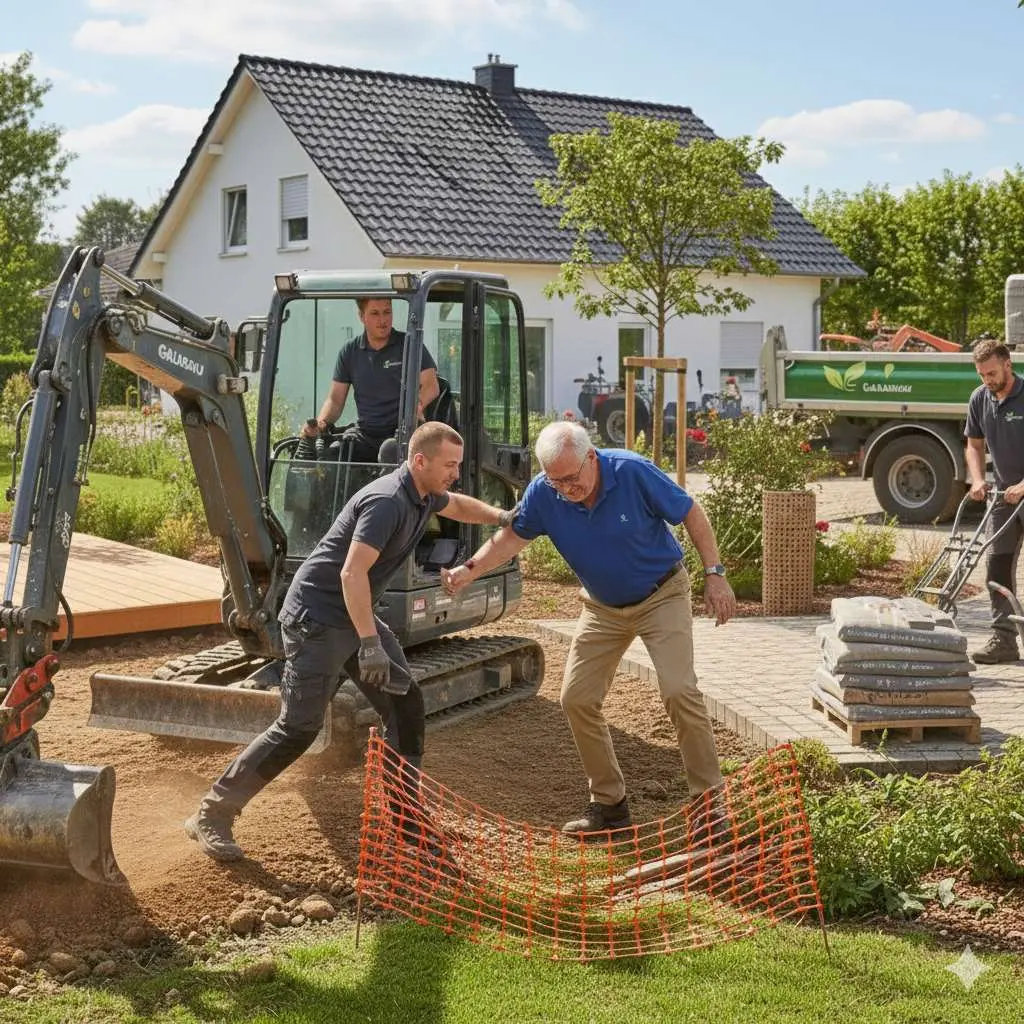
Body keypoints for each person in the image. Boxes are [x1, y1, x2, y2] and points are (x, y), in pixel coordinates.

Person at [185, 421, 516, 861]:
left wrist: (500, 517)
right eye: (449, 465)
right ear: (420, 461)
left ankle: (406, 823)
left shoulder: (424, 492)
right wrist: (371, 644)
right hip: (317, 620)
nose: (455, 472)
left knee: (405, 705)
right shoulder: (386, 502)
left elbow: (455, 505)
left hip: (354, 615)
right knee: (298, 729)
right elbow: (351, 573)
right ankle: (212, 813)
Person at [442, 421, 737, 836]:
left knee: (678, 691)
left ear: (591, 458)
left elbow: (690, 511)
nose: (566, 488)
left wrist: (715, 573)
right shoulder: (545, 493)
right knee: (576, 698)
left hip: (661, 595)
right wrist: (467, 571)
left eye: (572, 477)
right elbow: (510, 538)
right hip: (602, 607)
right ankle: (610, 807)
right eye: (556, 480)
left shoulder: (632, 472)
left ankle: (709, 808)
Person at [302, 297, 441, 463]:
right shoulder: (350, 352)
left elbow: (431, 386)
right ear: (362, 316)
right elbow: (335, 400)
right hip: (365, 434)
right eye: (375, 313)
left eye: (387, 312)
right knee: (332, 454)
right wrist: (321, 423)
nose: (383, 320)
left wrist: (415, 407)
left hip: (401, 434)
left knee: (390, 451)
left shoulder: (409, 345)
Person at [965, 338, 1024, 664]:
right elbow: (974, 444)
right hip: (1003, 496)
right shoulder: (980, 398)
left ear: (1007, 365)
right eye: (981, 374)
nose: (987, 380)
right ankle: (1004, 641)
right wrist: (977, 478)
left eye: (991, 373)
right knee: (997, 565)